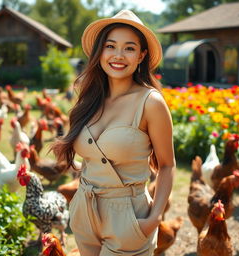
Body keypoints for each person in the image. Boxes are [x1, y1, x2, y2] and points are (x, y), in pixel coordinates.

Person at [52, 9, 175, 256]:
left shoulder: (150, 102)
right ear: (100, 52)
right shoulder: (89, 99)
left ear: (141, 55)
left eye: (129, 48)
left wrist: (154, 219)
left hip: (129, 217)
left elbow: (167, 165)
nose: (118, 55)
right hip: (84, 212)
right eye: (111, 46)